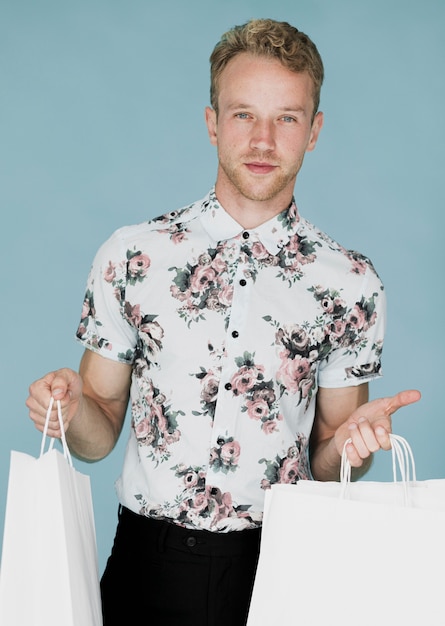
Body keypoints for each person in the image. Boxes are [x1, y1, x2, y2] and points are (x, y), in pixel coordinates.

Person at [26, 18, 420, 626]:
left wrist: (353, 446)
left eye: (286, 117)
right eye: (243, 115)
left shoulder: (351, 284)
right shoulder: (133, 256)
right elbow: (98, 432)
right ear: (213, 123)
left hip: (279, 573)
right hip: (144, 566)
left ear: (313, 131)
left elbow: (329, 456)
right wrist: (71, 405)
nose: (263, 140)